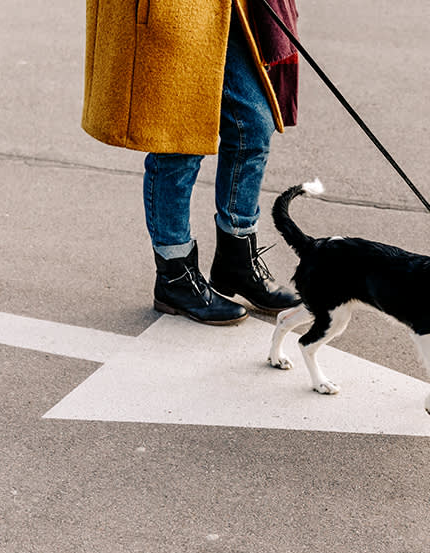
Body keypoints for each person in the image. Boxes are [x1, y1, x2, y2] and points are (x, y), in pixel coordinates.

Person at [81, 0, 301, 325]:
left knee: (254, 123)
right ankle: (175, 277)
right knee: (178, 140)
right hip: (174, 10)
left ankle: (237, 261)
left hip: (230, 7)